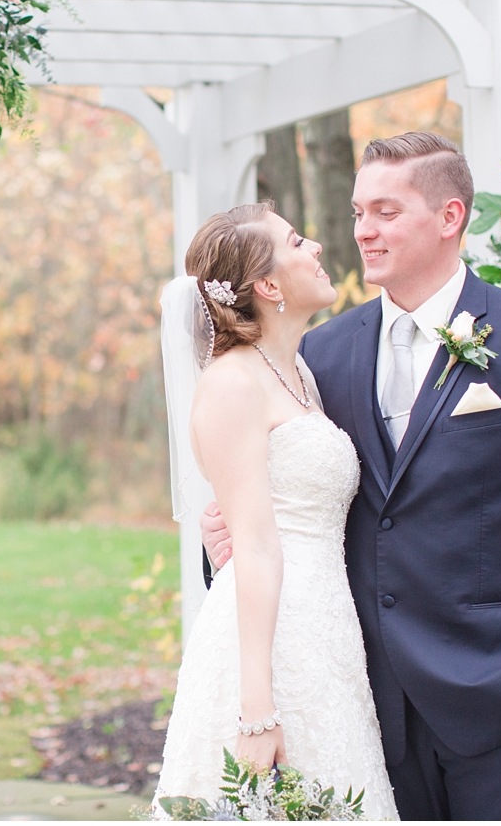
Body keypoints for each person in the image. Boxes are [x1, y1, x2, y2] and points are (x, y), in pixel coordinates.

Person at [199, 132, 501, 820]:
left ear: (450, 216)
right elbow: (280, 494)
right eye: (356, 213)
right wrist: (217, 537)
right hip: (367, 711)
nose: (363, 231)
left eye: (386, 212)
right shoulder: (322, 352)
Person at [153, 203, 399, 819]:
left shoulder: (300, 377)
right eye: (295, 241)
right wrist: (257, 711)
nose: (315, 246)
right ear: (266, 285)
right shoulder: (232, 383)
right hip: (268, 643)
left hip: (324, 634)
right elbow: (258, 546)